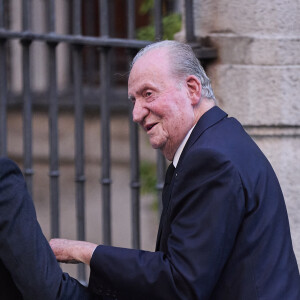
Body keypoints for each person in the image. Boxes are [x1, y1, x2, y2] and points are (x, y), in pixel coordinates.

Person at [1, 40, 299, 299]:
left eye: (148, 94)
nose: (136, 113)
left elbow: (182, 283)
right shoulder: (218, 141)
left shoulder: (211, 159)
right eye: (133, 100)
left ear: (192, 89)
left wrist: (86, 252)